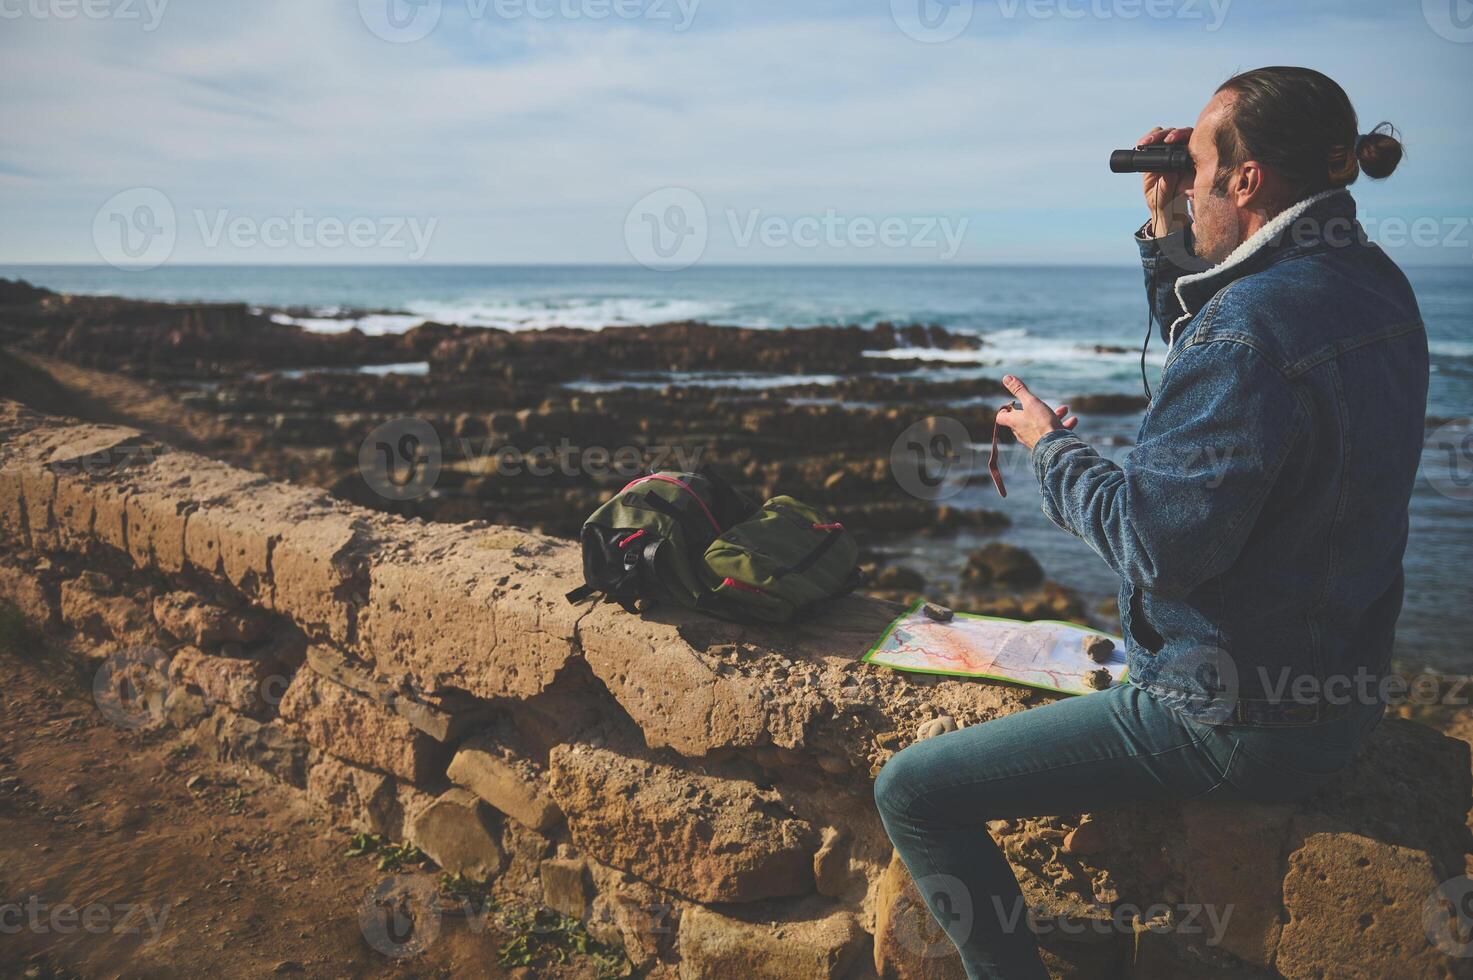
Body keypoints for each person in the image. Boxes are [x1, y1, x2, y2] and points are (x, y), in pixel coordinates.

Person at [874, 66, 1426, 979]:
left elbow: (1158, 547)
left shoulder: (1249, 329)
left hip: (1232, 719)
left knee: (914, 790)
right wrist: (1170, 223)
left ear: (1244, 181)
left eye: (1201, 162)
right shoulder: (1373, 287)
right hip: (1337, 690)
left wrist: (1050, 449)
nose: (1188, 173)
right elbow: (1211, 346)